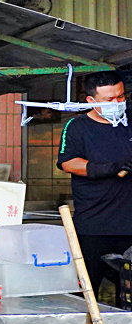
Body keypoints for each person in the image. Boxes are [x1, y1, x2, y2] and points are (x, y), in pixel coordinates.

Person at [56, 71, 132, 297]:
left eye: (121, 97)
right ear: (91, 100)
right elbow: (68, 163)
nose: (117, 103)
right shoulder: (77, 127)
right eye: (109, 100)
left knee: (127, 293)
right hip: (94, 226)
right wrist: (109, 168)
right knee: (87, 292)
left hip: (130, 226)